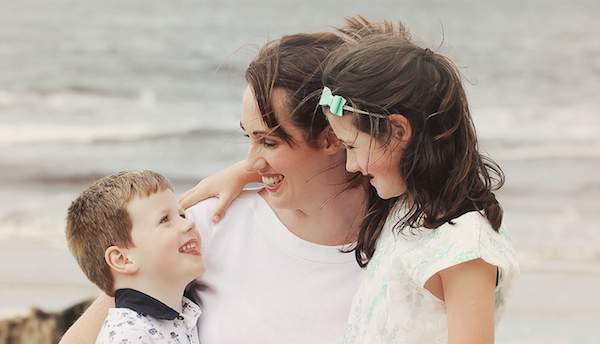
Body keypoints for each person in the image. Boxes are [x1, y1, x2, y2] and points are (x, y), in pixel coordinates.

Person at [59, 32, 369, 344]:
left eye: (269, 141)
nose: (249, 162)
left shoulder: (401, 231)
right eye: (249, 137)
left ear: (332, 137)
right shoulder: (207, 224)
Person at [317, 16, 520, 344]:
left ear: (398, 130)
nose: (350, 165)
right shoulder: (403, 205)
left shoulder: (466, 247)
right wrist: (244, 174)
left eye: (352, 146)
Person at [65, 170, 205, 344]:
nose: (190, 223)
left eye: (182, 215)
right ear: (123, 260)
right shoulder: (128, 335)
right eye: (164, 219)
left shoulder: (186, 314)